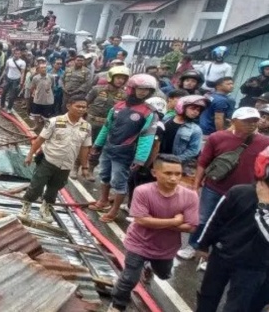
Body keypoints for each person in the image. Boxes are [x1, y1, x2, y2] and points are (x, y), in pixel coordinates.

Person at [177, 107, 269, 270]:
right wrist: (196, 185)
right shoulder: (217, 138)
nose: (252, 124)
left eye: (254, 121)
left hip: (244, 193)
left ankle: (212, 254)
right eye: (247, 121)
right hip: (215, 188)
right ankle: (193, 246)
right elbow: (203, 162)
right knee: (204, 218)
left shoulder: (265, 142)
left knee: (231, 224)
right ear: (233, 121)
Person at [108, 155, 199, 312]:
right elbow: (141, 221)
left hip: (166, 248)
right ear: (155, 173)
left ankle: (149, 266)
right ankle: (117, 304)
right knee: (129, 278)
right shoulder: (142, 191)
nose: (174, 178)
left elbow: (191, 226)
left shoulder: (190, 196)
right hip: (139, 243)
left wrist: (154, 221)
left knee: (164, 274)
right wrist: (175, 222)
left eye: (178, 174)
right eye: (168, 173)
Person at [194, 146, 269, 312]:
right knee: (208, 296)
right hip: (223, 255)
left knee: (238, 306)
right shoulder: (239, 192)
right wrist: (204, 245)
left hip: (254, 265)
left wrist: (264, 205)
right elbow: (216, 220)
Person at [90, 74, 158, 223]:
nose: (142, 92)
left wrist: (140, 158)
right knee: (104, 175)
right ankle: (103, 200)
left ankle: (114, 211)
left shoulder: (149, 112)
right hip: (108, 148)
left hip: (125, 152)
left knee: (119, 182)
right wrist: (97, 144)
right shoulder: (117, 106)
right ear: (132, 89)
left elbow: (147, 138)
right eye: (140, 89)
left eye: (146, 90)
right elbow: (107, 127)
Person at [21, 95, 92, 222]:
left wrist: (85, 166)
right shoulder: (54, 121)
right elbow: (40, 139)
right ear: (69, 106)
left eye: (84, 107)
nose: (81, 109)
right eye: (78, 106)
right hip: (48, 160)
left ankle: (46, 208)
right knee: (36, 186)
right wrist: (30, 155)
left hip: (66, 165)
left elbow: (84, 148)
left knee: (54, 189)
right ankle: (26, 205)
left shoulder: (86, 127)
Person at [82, 65, 130, 180]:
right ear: (111, 77)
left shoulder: (124, 95)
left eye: (123, 78)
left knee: (98, 149)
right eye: (118, 77)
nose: (120, 80)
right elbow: (85, 104)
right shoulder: (97, 89)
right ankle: (77, 166)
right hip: (91, 122)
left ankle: (90, 170)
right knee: (84, 145)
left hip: (108, 126)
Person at [28, 57, 55, 131]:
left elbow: (52, 87)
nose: (43, 69)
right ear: (38, 69)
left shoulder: (51, 77)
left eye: (45, 68)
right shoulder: (35, 78)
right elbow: (33, 87)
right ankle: (36, 126)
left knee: (46, 116)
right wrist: (33, 95)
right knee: (36, 114)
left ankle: (46, 129)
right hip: (38, 99)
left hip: (48, 100)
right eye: (42, 68)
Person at [0, 47, 26, 112]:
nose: (17, 55)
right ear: (13, 54)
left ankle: (9, 108)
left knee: (12, 96)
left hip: (16, 80)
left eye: (18, 54)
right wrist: (0, 78)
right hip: (8, 78)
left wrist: (21, 82)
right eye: (16, 53)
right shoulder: (9, 60)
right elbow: (5, 70)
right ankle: (2, 106)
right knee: (3, 93)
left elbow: (22, 73)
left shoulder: (22, 62)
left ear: (20, 54)